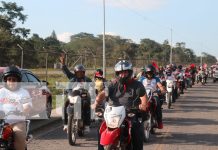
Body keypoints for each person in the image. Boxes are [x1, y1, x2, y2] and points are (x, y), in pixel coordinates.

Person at [92, 60, 148, 150]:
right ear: (117, 73)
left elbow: (143, 98)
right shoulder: (113, 84)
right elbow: (103, 93)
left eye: (125, 72)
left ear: (129, 72)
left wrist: (143, 105)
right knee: (101, 128)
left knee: (136, 130)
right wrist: (96, 102)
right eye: (120, 73)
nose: (123, 75)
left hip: (130, 113)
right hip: (113, 113)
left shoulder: (137, 85)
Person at [0, 66, 32, 150]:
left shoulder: (23, 92)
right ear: (5, 80)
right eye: (9, 79)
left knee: (19, 135)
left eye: (14, 80)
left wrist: (25, 110)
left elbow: (27, 105)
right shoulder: (1, 91)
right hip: (1, 121)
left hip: (16, 121)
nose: (11, 82)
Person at [60, 54, 93, 133]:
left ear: (84, 72)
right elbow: (66, 71)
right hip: (72, 95)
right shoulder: (72, 77)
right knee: (64, 105)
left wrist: (92, 92)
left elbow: (92, 87)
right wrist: (63, 64)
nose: (80, 74)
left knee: (87, 106)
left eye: (81, 72)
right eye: (78, 72)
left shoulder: (87, 79)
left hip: (83, 97)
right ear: (75, 72)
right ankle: (65, 124)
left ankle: (87, 125)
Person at [141, 64, 166, 129]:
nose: (150, 74)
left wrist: (162, 90)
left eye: (151, 73)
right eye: (148, 73)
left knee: (157, 102)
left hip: (153, 94)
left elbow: (159, 85)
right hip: (143, 95)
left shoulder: (156, 79)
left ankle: (159, 122)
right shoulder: (142, 79)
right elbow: (137, 86)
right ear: (145, 73)